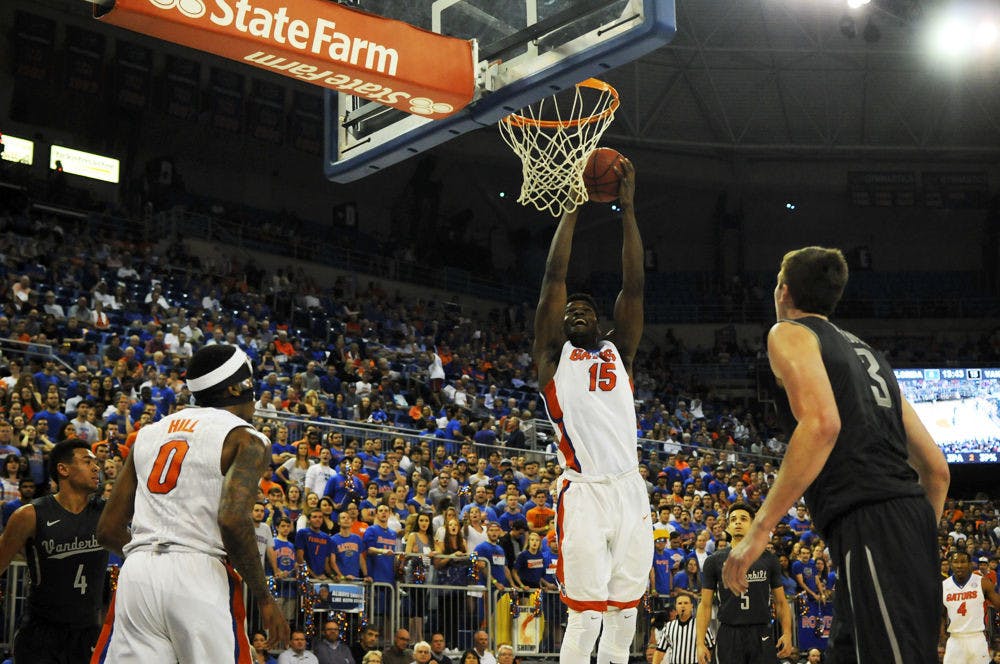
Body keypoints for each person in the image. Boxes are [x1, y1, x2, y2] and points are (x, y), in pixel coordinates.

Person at [720, 247, 951, 664]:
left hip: (871, 520)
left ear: (783, 292)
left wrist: (760, 529)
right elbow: (936, 471)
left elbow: (822, 424)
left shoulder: (789, 332)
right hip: (906, 522)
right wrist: (914, 541)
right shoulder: (871, 356)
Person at [92, 345, 290, 662]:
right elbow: (232, 519)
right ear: (236, 387)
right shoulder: (247, 439)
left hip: (138, 572)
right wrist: (264, 597)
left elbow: (107, 529)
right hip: (199, 573)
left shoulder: (148, 433)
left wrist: (154, 553)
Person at [533, 158, 650, 664]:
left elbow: (636, 286)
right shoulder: (551, 358)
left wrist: (627, 210)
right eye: (567, 310)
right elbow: (553, 275)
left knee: (626, 611)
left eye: (584, 309)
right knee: (587, 614)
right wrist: (575, 208)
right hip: (583, 493)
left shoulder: (618, 350)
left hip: (630, 488)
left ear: (599, 320)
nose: (573, 310)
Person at [0, 440, 106, 663]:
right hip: (41, 635)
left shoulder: (107, 514)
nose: (97, 468)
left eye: (97, 463)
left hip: (88, 633)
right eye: (88, 462)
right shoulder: (29, 515)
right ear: (63, 469)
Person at [696, 504, 792, 664]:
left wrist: (787, 633)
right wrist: (700, 643)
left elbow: (781, 602)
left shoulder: (768, 559)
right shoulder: (714, 561)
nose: (737, 522)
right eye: (733, 519)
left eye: (743, 519)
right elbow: (705, 605)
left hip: (761, 631)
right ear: (728, 526)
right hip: (729, 632)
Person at [941, 551, 1000, 664]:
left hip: (977, 638)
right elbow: (941, 615)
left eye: (963, 562)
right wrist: (942, 635)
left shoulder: (982, 583)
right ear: (951, 564)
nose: (959, 565)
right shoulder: (944, 586)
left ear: (970, 564)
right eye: (956, 562)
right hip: (954, 639)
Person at [652, 594, 712, 664]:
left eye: (686, 603)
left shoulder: (700, 625)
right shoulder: (669, 626)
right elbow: (660, 651)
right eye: (680, 603)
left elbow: (711, 648)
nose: (683, 606)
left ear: (691, 606)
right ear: (676, 607)